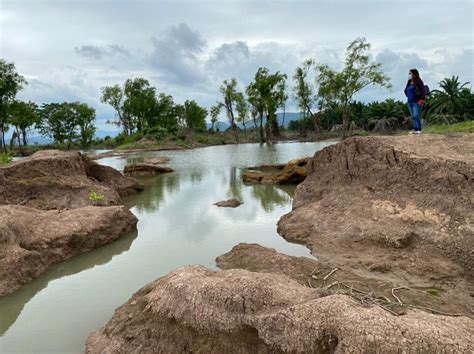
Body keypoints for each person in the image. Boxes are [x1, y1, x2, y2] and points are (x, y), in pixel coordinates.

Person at [404, 69, 426, 134]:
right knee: (413, 116)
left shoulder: (419, 81)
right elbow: (406, 90)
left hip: (417, 101)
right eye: (409, 73)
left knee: (416, 115)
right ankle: (415, 129)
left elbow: (422, 91)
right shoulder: (409, 82)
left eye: (410, 73)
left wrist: (422, 99)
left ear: (415, 74)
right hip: (409, 102)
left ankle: (419, 129)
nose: (409, 75)